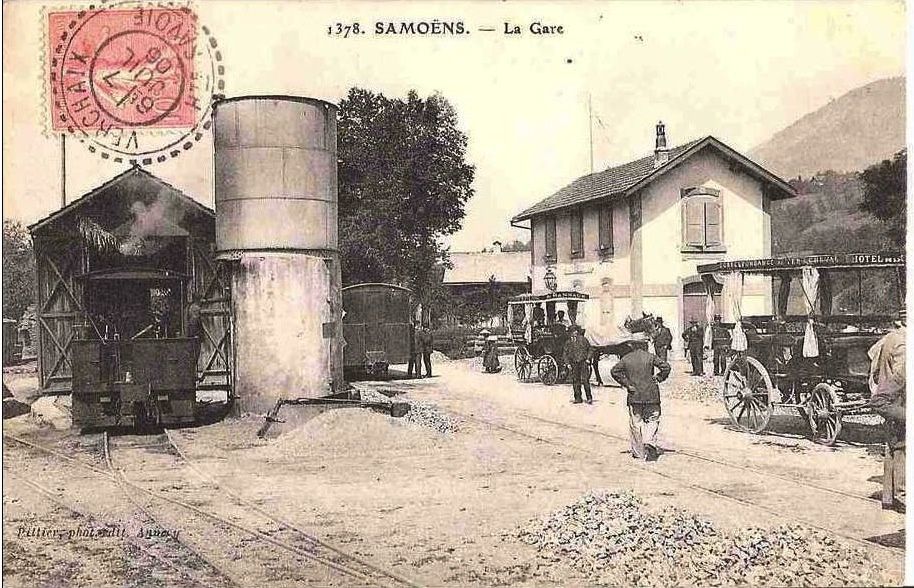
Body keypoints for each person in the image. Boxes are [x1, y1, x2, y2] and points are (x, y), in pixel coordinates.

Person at [610, 344, 671, 461]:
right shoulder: (650, 357)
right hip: (651, 394)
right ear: (645, 346)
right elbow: (666, 367)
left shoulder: (627, 358)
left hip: (635, 395)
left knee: (635, 423)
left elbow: (614, 371)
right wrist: (658, 377)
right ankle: (649, 442)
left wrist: (627, 384)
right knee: (652, 419)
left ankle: (639, 452)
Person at [562, 325, 593, 404]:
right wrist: (567, 363)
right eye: (572, 332)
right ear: (570, 333)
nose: (574, 333)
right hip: (574, 363)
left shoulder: (583, 340)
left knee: (585, 380)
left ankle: (589, 397)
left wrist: (588, 359)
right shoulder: (568, 342)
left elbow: (590, 349)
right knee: (575, 381)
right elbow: (565, 353)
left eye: (575, 331)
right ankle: (578, 398)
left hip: (583, 362)